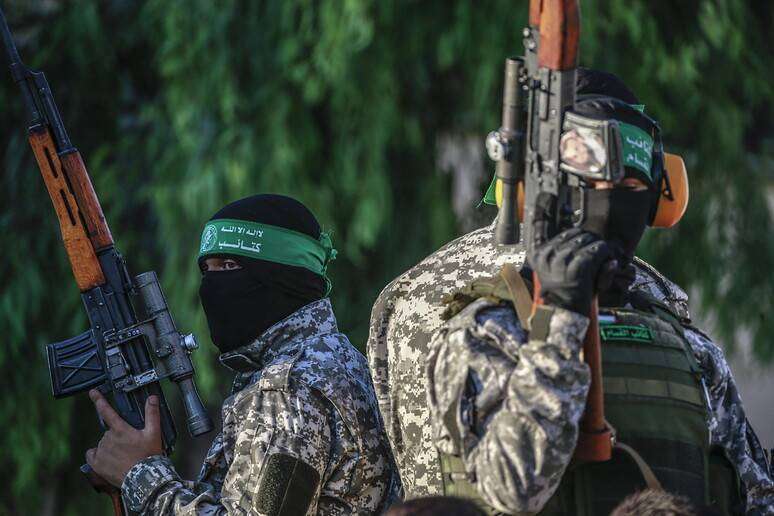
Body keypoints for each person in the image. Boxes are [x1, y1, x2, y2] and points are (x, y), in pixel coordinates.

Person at [367, 70, 774, 514]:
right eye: (590, 183)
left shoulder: (688, 348)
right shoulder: (484, 331)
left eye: (629, 187)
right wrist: (560, 320)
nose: (609, 204)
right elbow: (508, 489)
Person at [86, 194, 402, 515]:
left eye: (229, 266)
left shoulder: (287, 389)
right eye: (207, 270)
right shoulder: (339, 358)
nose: (212, 285)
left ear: (283, 275)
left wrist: (139, 475)